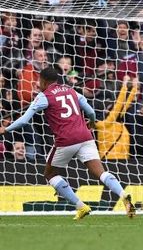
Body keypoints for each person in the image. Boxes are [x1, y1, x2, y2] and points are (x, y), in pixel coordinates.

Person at [0, 66, 135, 220]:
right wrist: (91, 122)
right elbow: (90, 111)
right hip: (85, 136)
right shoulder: (72, 91)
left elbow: (24, 120)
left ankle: (81, 206)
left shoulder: (44, 96)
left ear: (43, 81)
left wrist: (5, 129)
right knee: (101, 172)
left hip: (66, 140)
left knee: (50, 174)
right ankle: (123, 194)